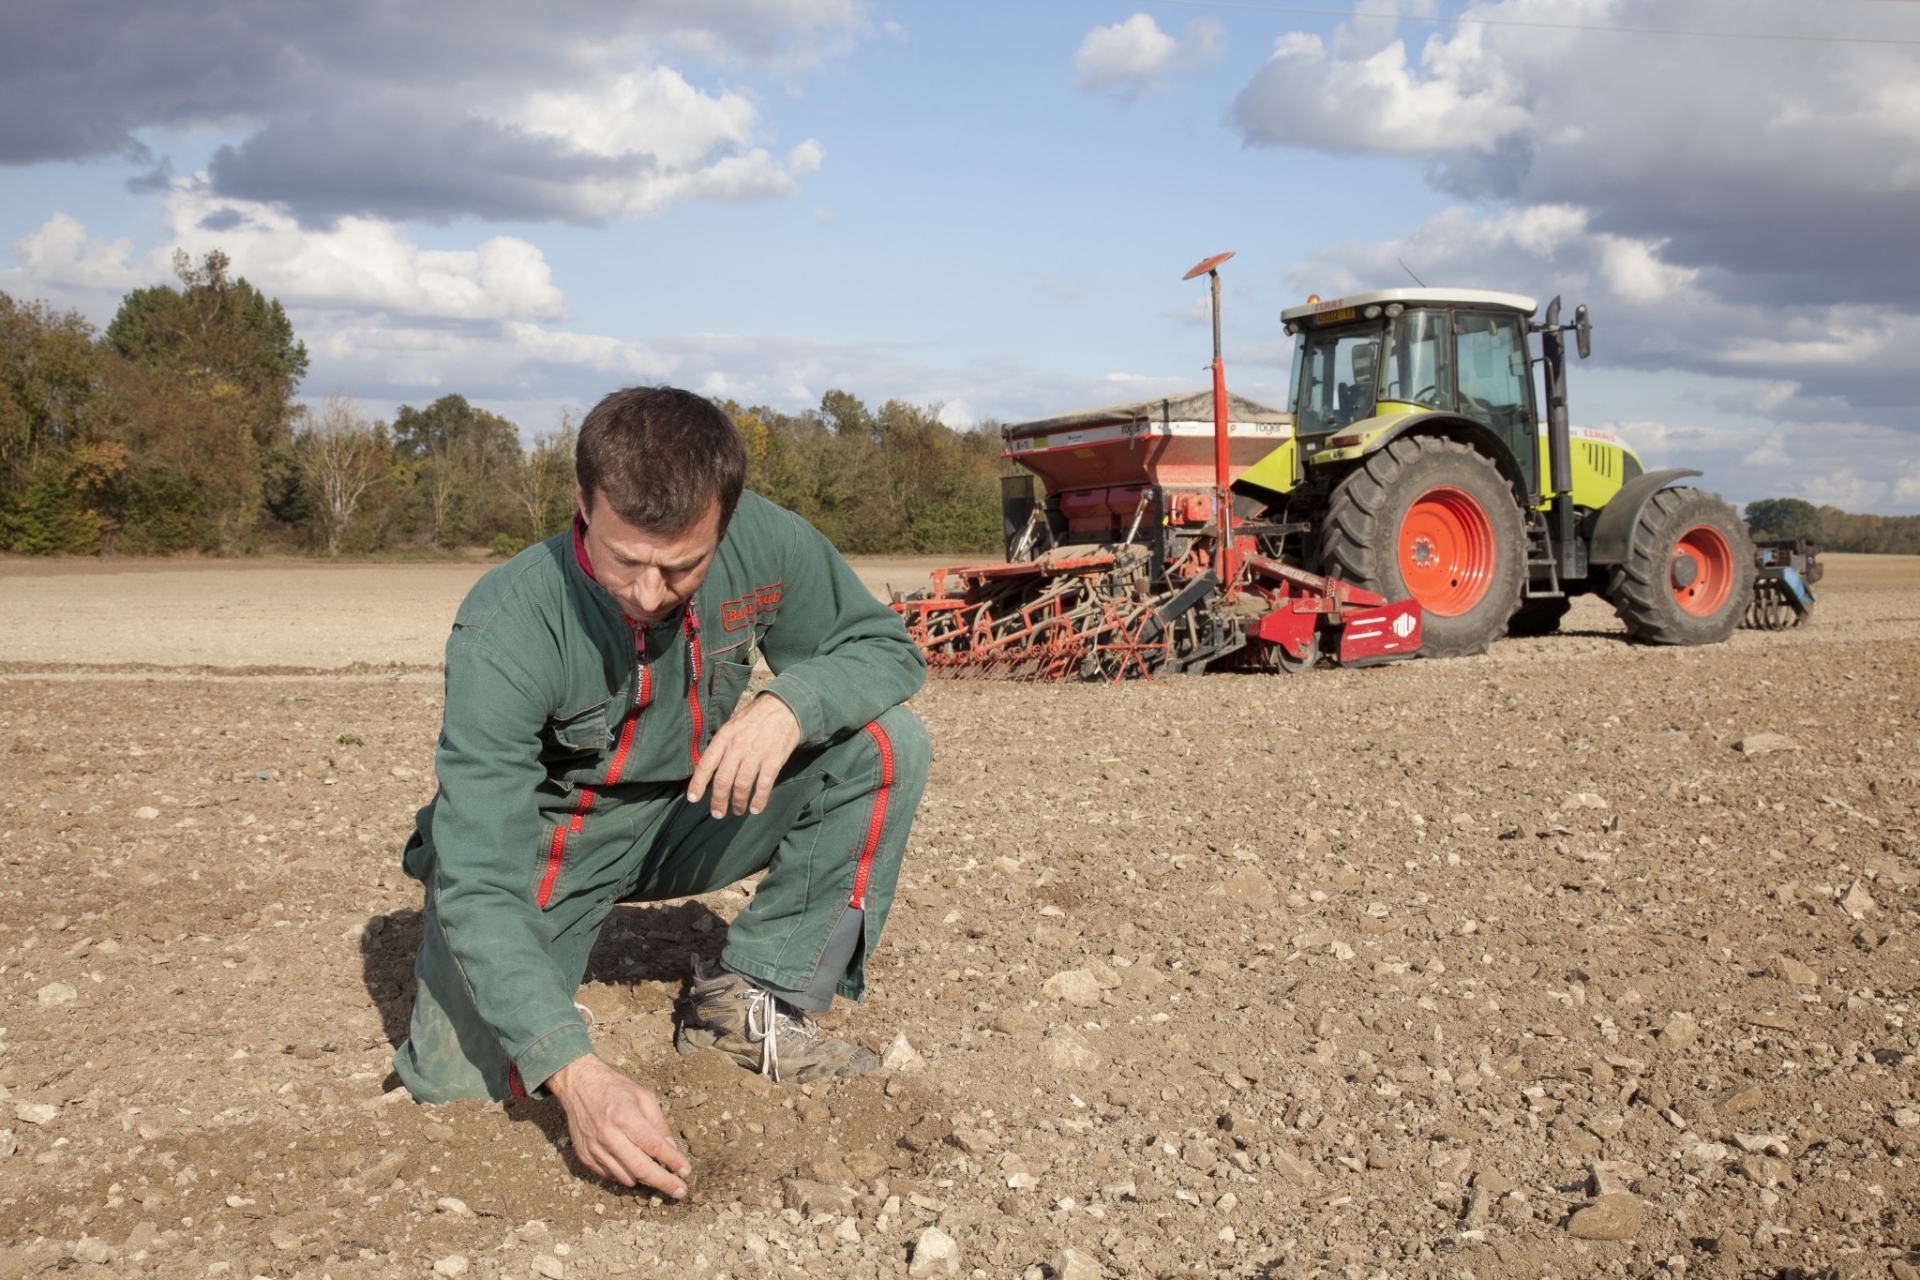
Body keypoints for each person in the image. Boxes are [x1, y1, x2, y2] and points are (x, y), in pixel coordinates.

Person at [391, 386, 930, 1198]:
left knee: (887, 744)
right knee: (462, 1089)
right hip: (551, 846)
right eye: (625, 561)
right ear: (582, 501)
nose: (648, 593)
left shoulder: (769, 542)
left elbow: (882, 648)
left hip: (689, 812)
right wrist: (574, 1074)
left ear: (725, 518)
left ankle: (747, 1006)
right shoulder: (506, 625)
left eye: (681, 566)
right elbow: (479, 874)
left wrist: (791, 705)